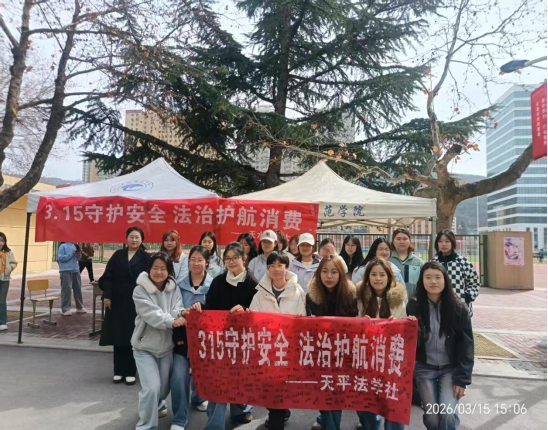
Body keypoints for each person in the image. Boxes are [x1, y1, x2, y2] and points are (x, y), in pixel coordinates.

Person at [191, 242, 257, 429]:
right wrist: (200, 308)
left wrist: (246, 310)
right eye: (227, 258)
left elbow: (258, 311)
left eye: (235, 258)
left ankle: (240, 410)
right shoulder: (218, 282)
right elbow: (210, 308)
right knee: (219, 382)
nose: (231, 262)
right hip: (220, 339)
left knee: (240, 379)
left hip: (243, 341)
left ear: (244, 258)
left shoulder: (253, 283)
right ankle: (214, 424)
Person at [407, 262, 474, 430]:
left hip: (450, 369)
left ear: (445, 280)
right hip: (424, 368)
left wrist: (462, 379)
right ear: (421, 280)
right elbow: (408, 340)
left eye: (438, 277)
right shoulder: (413, 305)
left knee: (448, 414)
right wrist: (409, 327)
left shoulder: (458, 308)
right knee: (432, 419)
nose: (433, 281)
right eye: (428, 277)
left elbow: (467, 346)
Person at [249, 252, 306, 430]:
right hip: (266, 347)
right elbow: (252, 318)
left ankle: (277, 420)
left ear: (286, 267)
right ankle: (280, 412)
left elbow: (302, 320)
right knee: (267, 387)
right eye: (272, 266)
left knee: (280, 387)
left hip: (287, 348)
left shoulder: (297, 292)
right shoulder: (260, 293)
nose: (276, 269)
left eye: (280, 265)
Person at [132, 252, 186, 430]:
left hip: (166, 348)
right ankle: (146, 426)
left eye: (163, 268)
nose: (159, 272)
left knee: (163, 390)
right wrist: (171, 321)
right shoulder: (140, 290)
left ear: (169, 271)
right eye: (155, 268)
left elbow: (177, 307)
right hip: (144, 347)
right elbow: (151, 313)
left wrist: (181, 313)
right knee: (152, 388)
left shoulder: (173, 288)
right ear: (149, 269)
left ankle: (155, 403)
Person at [355, 258, 411, 430]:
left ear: (389, 277)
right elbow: (351, 327)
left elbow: (405, 333)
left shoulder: (398, 300)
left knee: (393, 400)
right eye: (373, 274)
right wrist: (360, 324)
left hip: (391, 360)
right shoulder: (359, 299)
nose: (378, 278)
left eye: (382, 275)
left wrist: (399, 325)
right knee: (365, 405)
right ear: (367, 277)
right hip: (366, 359)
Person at [307, 255, 358, 430]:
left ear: (341, 274)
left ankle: (330, 425)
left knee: (336, 392)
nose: (329, 276)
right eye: (325, 271)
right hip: (319, 351)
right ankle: (324, 419)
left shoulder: (350, 296)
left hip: (343, 352)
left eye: (334, 272)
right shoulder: (311, 296)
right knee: (323, 389)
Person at [100, 227, 150, 386]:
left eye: (137, 237)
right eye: (131, 237)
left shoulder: (146, 257)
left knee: (133, 336)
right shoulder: (118, 255)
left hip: (136, 302)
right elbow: (107, 277)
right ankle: (118, 371)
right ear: (126, 238)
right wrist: (107, 295)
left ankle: (130, 371)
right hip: (118, 301)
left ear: (142, 239)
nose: (134, 240)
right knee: (118, 335)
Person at [171, 246, 213, 430]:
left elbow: (217, 310)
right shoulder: (178, 285)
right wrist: (182, 312)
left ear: (207, 263)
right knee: (179, 378)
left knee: (200, 374)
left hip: (204, 339)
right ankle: (179, 419)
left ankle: (198, 397)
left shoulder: (214, 285)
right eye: (192, 259)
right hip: (182, 338)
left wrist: (204, 309)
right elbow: (172, 308)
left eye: (200, 260)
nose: (196, 263)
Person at [433, 230, 480, 316]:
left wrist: (467, 296)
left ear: (452, 242)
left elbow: (474, 281)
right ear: (437, 244)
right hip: (438, 308)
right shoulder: (433, 263)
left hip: (460, 309)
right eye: (440, 241)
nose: (443, 244)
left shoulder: (463, 262)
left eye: (447, 241)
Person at [389, 228, 424, 298]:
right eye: (398, 239)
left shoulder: (418, 262)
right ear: (393, 241)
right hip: (392, 301)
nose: (402, 241)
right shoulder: (388, 260)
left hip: (413, 301)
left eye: (405, 239)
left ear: (410, 241)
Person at [57, 242, 86, 316]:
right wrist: (71, 254)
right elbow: (60, 258)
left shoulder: (74, 246)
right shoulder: (62, 246)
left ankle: (79, 307)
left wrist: (79, 254)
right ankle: (66, 309)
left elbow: (77, 259)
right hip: (65, 270)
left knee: (78, 289)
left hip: (75, 270)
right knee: (66, 290)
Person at [0, 233, 17, 332]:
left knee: (2, 301)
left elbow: (14, 263)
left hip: (4, 279)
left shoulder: (8, 252)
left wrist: (9, 269)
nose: (0, 243)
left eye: (2, 241)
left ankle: (2, 322)